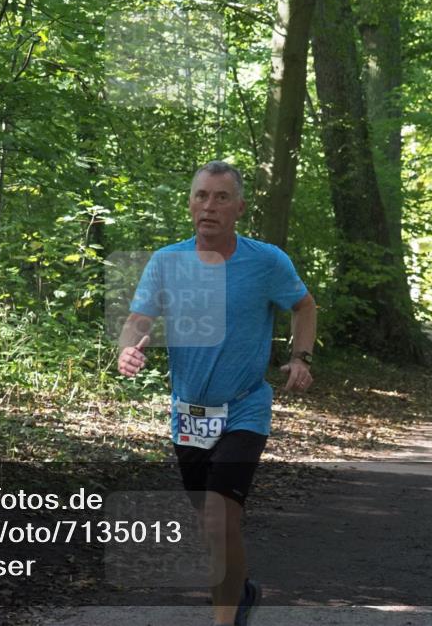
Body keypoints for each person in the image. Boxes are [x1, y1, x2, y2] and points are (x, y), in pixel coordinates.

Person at [118, 160, 316, 626]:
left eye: (221, 197)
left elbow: (304, 306)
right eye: (201, 196)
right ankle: (241, 590)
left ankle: (223, 620)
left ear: (239, 208)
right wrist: (128, 349)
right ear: (189, 204)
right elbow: (137, 320)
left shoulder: (267, 261)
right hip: (189, 412)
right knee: (211, 527)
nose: (209, 206)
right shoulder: (167, 261)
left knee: (219, 518)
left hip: (246, 406)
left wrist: (300, 357)